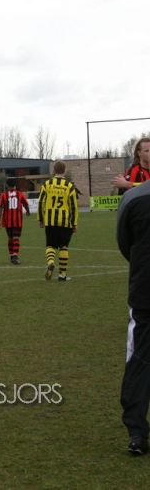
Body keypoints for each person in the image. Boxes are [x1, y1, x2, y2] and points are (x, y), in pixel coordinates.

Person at [116, 178, 150, 455]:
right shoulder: (134, 197)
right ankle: (137, 430)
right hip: (143, 292)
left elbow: (124, 242)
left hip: (144, 288)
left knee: (139, 359)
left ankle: (137, 432)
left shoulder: (134, 198)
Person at [37, 161, 79, 281]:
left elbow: (41, 202)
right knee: (63, 247)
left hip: (50, 221)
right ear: (64, 170)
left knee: (50, 245)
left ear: (54, 170)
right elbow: (73, 206)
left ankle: (51, 262)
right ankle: (62, 275)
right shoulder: (69, 186)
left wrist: (41, 218)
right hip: (65, 221)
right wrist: (74, 223)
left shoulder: (47, 184)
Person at [0, 179, 30, 264]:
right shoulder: (20, 194)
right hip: (17, 220)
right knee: (16, 238)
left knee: (10, 238)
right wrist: (28, 211)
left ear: (7, 186)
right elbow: (25, 204)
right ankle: (15, 256)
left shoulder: (4, 195)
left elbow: (0, 208)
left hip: (7, 220)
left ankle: (12, 255)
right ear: (15, 185)